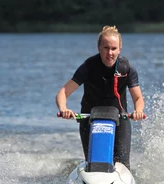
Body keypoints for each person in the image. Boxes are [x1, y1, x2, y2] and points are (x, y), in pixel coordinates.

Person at [56, 25, 146, 170]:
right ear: (99, 48)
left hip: (119, 120)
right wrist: (63, 108)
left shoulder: (126, 68)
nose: (109, 53)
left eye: (114, 48)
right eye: (106, 48)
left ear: (119, 49)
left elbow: (138, 98)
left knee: (122, 163)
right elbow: (63, 92)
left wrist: (138, 111)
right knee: (93, 163)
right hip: (89, 119)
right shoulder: (88, 67)